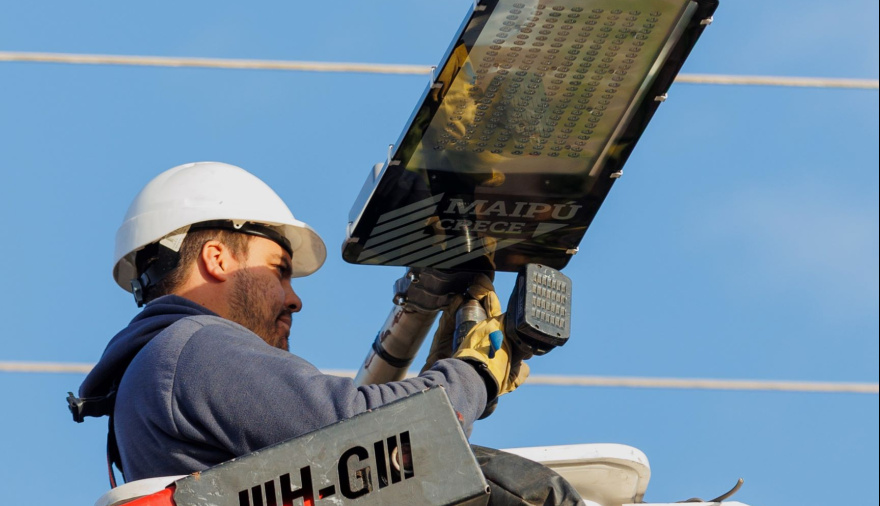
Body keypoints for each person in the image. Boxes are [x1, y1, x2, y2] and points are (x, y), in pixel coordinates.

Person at [73, 161, 581, 505]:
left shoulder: (153, 378)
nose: (294, 298)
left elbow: (364, 465)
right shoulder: (193, 349)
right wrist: (475, 371)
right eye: (279, 269)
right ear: (217, 258)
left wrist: (444, 370)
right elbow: (381, 432)